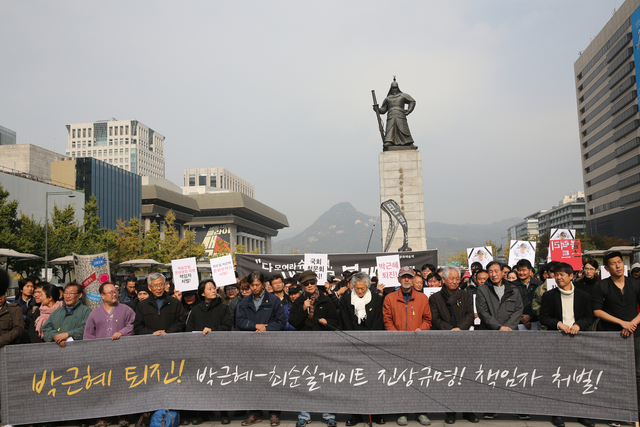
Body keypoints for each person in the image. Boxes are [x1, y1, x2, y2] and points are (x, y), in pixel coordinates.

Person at [539, 262, 595, 427]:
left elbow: (589, 317)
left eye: (562, 274)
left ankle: (581, 413)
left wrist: (579, 325)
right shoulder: (549, 296)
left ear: (572, 276)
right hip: (557, 340)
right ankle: (558, 412)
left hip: (578, 340)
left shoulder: (583, 296)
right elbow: (543, 317)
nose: (558, 277)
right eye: (556, 275)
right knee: (558, 377)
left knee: (580, 376)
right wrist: (558, 324)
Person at [592, 251, 640, 427]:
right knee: (612, 374)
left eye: (620, 262)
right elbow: (597, 310)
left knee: (637, 374)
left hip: (635, 333)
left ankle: (635, 412)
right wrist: (622, 323)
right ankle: (615, 412)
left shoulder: (635, 283)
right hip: (611, 334)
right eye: (613, 263)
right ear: (606, 268)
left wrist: (631, 324)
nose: (618, 266)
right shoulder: (601, 286)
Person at [289, 270, 341, 427]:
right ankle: (304, 414)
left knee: (325, 379)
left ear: (316, 282)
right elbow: (293, 322)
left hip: (323, 344)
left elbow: (336, 321)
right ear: (302, 285)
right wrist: (302, 310)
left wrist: (327, 322)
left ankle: (329, 414)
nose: (310, 285)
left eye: (312, 282)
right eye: (306, 284)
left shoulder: (325, 300)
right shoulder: (298, 302)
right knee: (304, 379)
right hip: (304, 345)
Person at [382, 266, 432, 426]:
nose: (406, 280)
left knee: (419, 378)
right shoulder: (389, 298)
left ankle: (421, 411)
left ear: (413, 279)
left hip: (417, 344)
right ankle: (402, 411)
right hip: (397, 345)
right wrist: (396, 335)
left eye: (409, 277)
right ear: (398, 279)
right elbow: (387, 319)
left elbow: (427, 320)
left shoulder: (423, 298)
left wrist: (421, 329)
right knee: (400, 379)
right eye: (403, 277)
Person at [235, 272, 286, 427]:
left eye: (257, 285)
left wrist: (267, 329)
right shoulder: (244, 302)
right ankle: (255, 412)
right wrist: (254, 326)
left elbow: (281, 321)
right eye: (252, 285)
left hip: (270, 345)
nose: (254, 288)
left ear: (263, 284)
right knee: (253, 379)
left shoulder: (274, 300)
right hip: (251, 346)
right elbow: (239, 321)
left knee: (272, 377)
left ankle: (274, 413)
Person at [429, 267, 478, 424]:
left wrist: (459, 328)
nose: (455, 281)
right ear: (443, 280)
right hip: (444, 341)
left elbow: (470, 314)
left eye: (457, 278)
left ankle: (468, 410)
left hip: (463, 340)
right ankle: (450, 411)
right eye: (452, 278)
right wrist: (451, 330)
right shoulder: (435, 298)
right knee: (449, 377)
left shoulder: (465, 295)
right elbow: (435, 320)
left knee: (466, 376)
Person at [84, 281, 136, 427]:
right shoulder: (94, 313)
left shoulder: (126, 310)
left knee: (120, 385)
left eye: (115, 291)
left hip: (121, 355)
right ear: (102, 296)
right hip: (100, 357)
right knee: (101, 386)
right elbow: (88, 335)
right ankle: (102, 416)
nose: (114, 294)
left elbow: (133, 325)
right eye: (110, 292)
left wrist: (122, 332)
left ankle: (122, 415)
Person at [186, 279, 233, 425]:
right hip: (200, 352)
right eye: (209, 288)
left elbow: (227, 326)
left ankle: (224, 412)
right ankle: (202, 413)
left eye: (214, 288)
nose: (213, 290)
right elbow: (189, 330)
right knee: (202, 382)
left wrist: (213, 330)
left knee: (220, 381)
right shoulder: (195, 310)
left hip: (219, 351)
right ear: (202, 293)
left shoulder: (223, 308)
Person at [475, 261, 523, 331]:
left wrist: (508, 327)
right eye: (491, 272)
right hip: (490, 332)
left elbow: (518, 309)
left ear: (502, 272)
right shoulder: (482, 290)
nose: (494, 274)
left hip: (510, 331)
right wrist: (499, 327)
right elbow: (483, 313)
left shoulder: (513, 289)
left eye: (496, 271)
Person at [42, 282, 92, 347]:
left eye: (71, 293)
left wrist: (68, 334)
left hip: (79, 349)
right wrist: (56, 337)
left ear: (80, 295)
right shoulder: (56, 312)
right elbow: (46, 329)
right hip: (57, 350)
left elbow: (86, 329)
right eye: (65, 293)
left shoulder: (86, 311)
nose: (68, 296)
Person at [375, 78, 416, 148]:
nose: (394, 89)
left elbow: (412, 101)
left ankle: (408, 142)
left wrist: (409, 110)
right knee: (390, 129)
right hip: (391, 115)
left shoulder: (402, 95)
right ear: (391, 88)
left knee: (403, 129)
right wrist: (377, 109)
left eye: (395, 88)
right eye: (393, 88)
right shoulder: (388, 98)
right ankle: (389, 141)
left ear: (398, 88)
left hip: (400, 115)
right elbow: (384, 110)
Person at [513, 259, 543, 330]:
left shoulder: (539, 285)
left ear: (530, 271)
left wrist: (530, 316)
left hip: (536, 321)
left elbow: (541, 304)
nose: (521, 273)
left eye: (524, 270)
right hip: (517, 322)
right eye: (519, 270)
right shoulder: (512, 286)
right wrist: (521, 318)